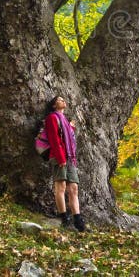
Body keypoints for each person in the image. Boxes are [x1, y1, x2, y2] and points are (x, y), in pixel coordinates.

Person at [44, 95, 86, 231]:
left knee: (74, 188)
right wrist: (61, 158)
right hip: (59, 157)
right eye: (60, 100)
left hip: (70, 157)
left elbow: (66, 137)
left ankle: (78, 221)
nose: (63, 101)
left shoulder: (65, 121)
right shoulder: (52, 118)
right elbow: (54, 139)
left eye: (63, 99)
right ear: (54, 105)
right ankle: (64, 219)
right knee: (60, 187)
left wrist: (71, 128)